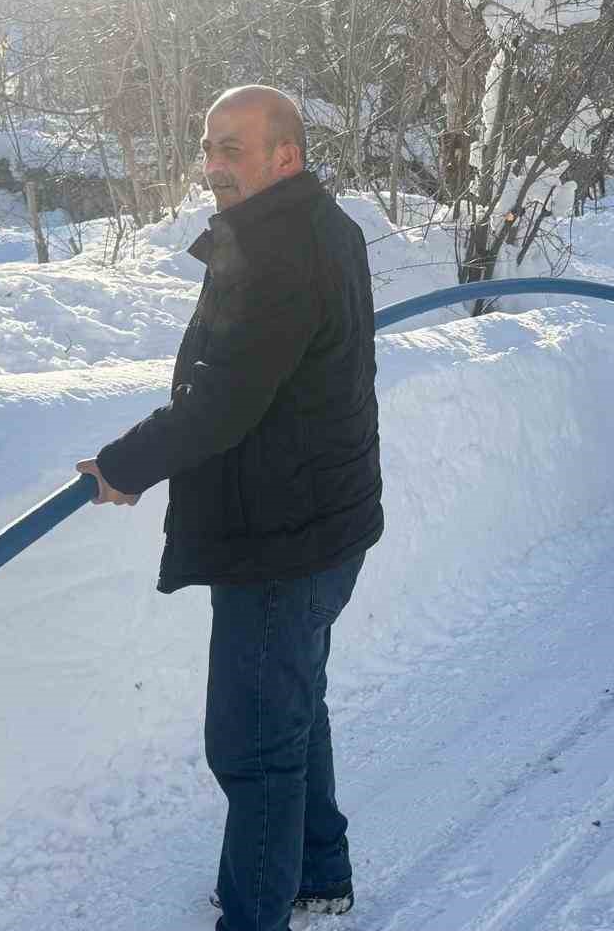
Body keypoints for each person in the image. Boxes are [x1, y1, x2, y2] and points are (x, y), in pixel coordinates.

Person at [76, 85, 383, 931]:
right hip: (319, 519)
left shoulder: (283, 251)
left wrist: (124, 463)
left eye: (232, 148)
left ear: (286, 155)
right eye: (208, 146)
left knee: (254, 743)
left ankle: (257, 913)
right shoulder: (321, 225)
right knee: (290, 710)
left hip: (280, 539)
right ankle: (316, 872)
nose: (213, 164)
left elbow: (223, 401)